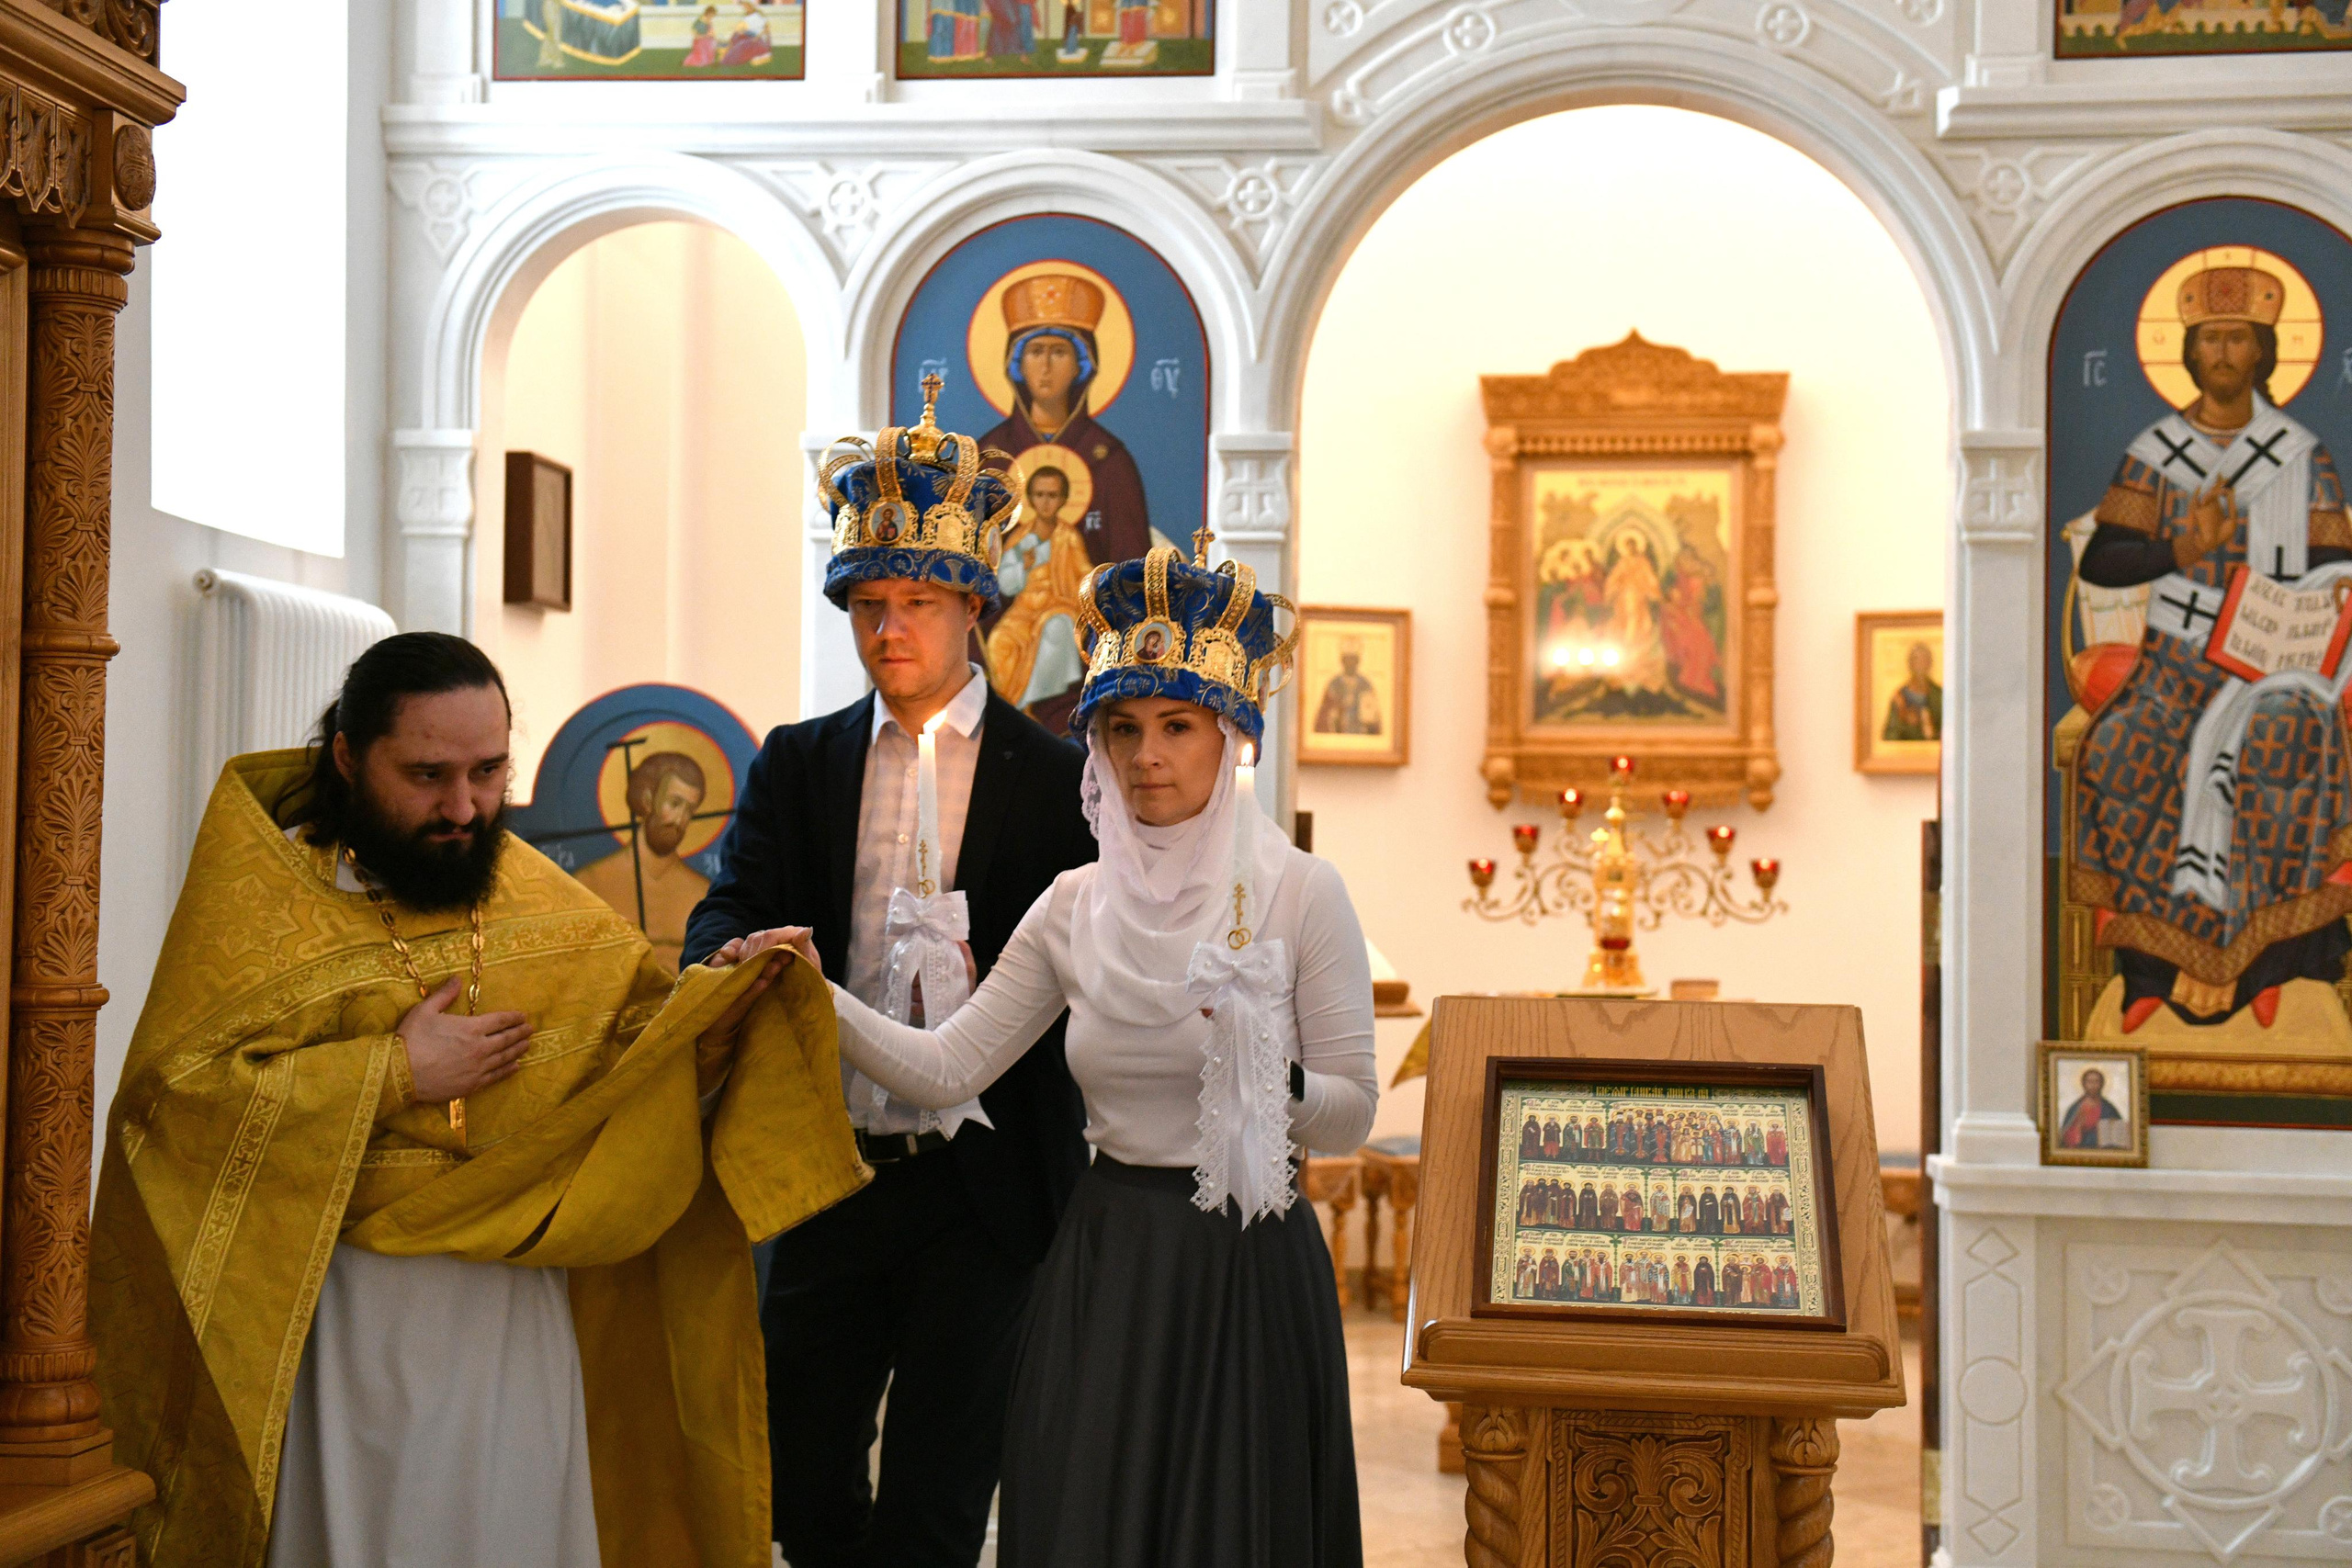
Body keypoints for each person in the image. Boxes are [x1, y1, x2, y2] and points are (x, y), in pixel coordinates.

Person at [90, 633, 862, 1568]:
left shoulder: (538, 901)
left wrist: (726, 1006)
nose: (464, 807)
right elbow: (171, 1109)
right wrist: (390, 1072)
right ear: (348, 757)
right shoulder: (266, 900)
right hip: (351, 1325)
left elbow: (636, 1071)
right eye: (427, 774)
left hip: (516, 1321)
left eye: (489, 771)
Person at [725, 540, 1375, 1564]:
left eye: (1177, 727)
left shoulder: (1301, 892)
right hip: (1108, 1248)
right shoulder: (1073, 904)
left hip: (1244, 1257)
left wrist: (1262, 1070)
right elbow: (948, 1067)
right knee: (1086, 1518)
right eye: (1122, 730)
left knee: (1228, 1527)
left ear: (1231, 738)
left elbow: (1351, 1112)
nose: (1148, 755)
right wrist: (815, 997)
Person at [684, 380, 1094, 1568]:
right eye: (867, 603)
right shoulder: (800, 761)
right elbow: (729, 903)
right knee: (801, 1479)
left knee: (937, 1494)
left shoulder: (1058, 776)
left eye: (917, 599)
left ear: (975, 602)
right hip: (830, 1169)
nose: (889, 629)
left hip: (989, 1183)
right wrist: (735, 951)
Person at [2072, 262, 2352, 1032]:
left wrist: (2330, 592)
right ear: (2189, 353)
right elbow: (2104, 559)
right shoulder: (2155, 453)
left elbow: (2333, 560)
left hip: (2278, 660)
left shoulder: (2300, 454)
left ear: (2263, 350)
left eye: (2239, 338)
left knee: (2282, 738)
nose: (2225, 352)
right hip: (2176, 657)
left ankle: (2269, 963)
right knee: (2120, 748)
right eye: (2210, 339)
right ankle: (2150, 972)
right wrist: (2180, 550)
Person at [977, 272, 1156, 730]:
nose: (1046, 366)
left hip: (1085, 654)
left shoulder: (1110, 460)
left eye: (1059, 352)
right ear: (1015, 363)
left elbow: (1130, 573)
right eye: (1035, 351)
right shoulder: (990, 457)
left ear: (1083, 364)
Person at [572, 750, 711, 970]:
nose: (680, 820)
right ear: (647, 800)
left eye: (689, 810)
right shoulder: (590, 884)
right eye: (674, 804)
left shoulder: (703, 894)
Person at [1313, 639, 1383, 735]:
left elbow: (1375, 718)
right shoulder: (1333, 685)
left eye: (1353, 659)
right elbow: (1323, 718)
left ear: (1358, 661)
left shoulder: (1366, 685)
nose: (1350, 663)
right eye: (1347, 659)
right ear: (1342, 661)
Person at [1883, 640, 1943, 741]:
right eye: (1916, 660)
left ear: (1930, 663)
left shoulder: (1939, 695)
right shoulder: (1899, 698)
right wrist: (1905, 723)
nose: (1921, 665)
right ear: (1910, 664)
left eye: (1925, 660)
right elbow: (1889, 736)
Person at [2058, 1066, 2129, 1149]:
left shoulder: (2109, 1108)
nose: (2093, 1085)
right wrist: (2078, 1127)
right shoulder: (2075, 1108)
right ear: (2084, 1084)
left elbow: (2120, 1135)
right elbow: (2065, 1137)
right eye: (2090, 1082)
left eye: (2096, 1081)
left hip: (2105, 1152)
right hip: (2081, 1150)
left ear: (2101, 1084)